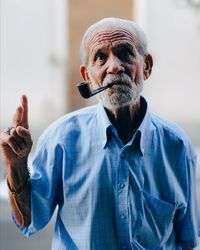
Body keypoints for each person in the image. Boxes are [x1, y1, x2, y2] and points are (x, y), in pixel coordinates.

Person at [0, 17, 199, 250]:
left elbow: (187, 240)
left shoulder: (176, 145)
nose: (114, 67)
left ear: (147, 66)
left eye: (125, 53)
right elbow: (29, 220)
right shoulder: (61, 139)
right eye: (100, 57)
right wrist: (16, 163)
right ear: (87, 76)